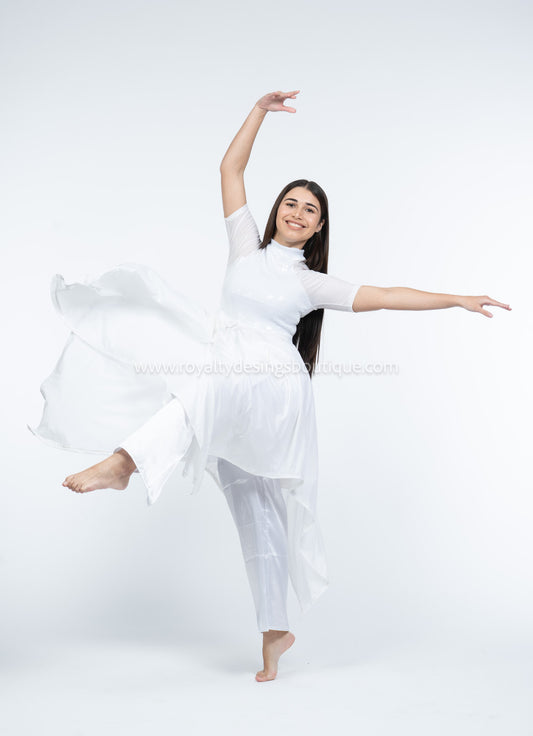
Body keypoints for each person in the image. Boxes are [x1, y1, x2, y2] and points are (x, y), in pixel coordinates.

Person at [28, 90, 511, 682]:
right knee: (252, 506)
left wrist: (456, 299)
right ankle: (274, 631)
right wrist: (258, 111)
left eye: (311, 210)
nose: (298, 212)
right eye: (292, 202)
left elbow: (386, 297)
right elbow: (231, 169)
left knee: (206, 388)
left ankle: (126, 462)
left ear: (319, 227)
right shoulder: (243, 248)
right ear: (278, 209)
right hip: (233, 380)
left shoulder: (313, 285)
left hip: (272, 387)